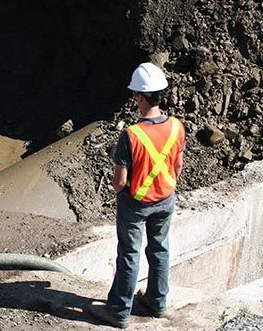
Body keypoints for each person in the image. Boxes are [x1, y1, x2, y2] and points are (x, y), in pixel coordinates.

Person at [89, 63, 186, 329]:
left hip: (136, 203)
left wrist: (120, 192)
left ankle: (119, 312)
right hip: (165, 199)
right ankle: (157, 302)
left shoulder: (130, 135)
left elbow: (120, 181)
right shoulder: (177, 127)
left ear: (141, 97)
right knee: (160, 249)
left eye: (136, 95)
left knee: (129, 254)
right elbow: (177, 166)